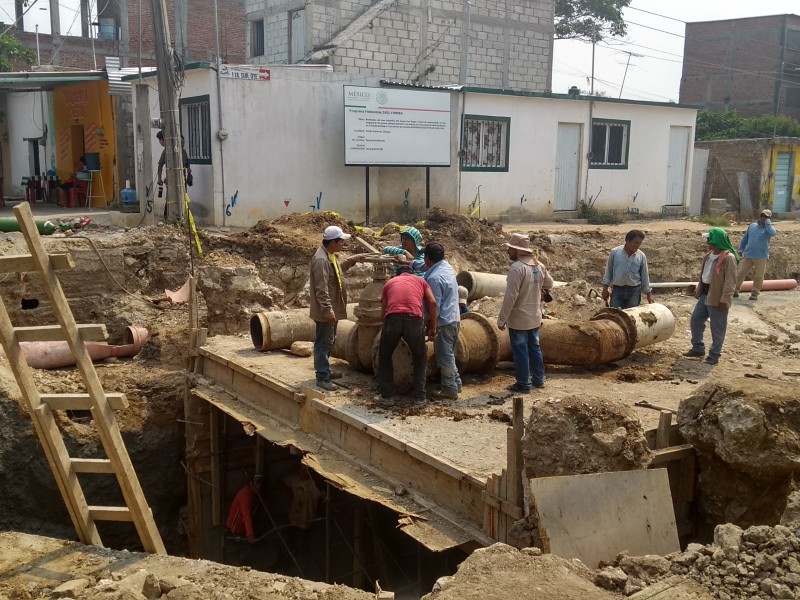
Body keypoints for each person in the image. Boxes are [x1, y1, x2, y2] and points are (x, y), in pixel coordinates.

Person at [496, 233, 554, 393]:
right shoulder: (539, 266)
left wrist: (502, 319)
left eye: (510, 249)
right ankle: (538, 380)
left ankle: (523, 384)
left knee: (521, 351)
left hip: (519, 319)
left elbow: (510, 297)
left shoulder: (517, 268)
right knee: (534, 349)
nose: (508, 252)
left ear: (517, 250)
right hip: (534, 317)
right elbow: (550, 283)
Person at [309, 225, 365, 390]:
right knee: (323, 343)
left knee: (329, 341)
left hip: (331, 309)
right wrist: (328, 312)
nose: (343, 245)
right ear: (333, 242)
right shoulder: (321, 260)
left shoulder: (329, 255)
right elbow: (321, 290)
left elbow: (339, 270)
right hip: (326, 311)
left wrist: (354, 259)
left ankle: (325, 371)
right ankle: (322, 377)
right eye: (341, 242)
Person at [378, 265, 438, 404]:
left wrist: (387, 327)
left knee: (385, 356)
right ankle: (419, 397)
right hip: (414, 319)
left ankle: (387, 396)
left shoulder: (389, 283)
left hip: (392, 318)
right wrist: (433, 328)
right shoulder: (421, 281)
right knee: (420, 357)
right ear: (411, 273)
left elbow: (382, 313)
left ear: (398, 274)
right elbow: (433, 302)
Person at [409, 242, 462, 400]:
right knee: (449, 355)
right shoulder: (446, 267)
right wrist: (409, 262)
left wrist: (431, 328)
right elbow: (425, 266)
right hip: (454, 318)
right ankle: (456, 383)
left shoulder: (433, 279)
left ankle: (450, 389)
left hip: (443, 322)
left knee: (444, 357)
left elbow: (434, 306)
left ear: (427, 257)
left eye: (424, 255)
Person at [685, 227, 738, 366]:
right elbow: (705, 275)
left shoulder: (728, 258)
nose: (707, 241)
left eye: (710, 239)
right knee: (696, 320)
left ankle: (714, 355)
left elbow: (730, 282)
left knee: (717, 327)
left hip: (717, 297)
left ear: (716, 240)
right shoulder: (708, 255)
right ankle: (698, 348)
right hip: (705, 294)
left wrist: (725, 300)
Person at [601, 230, 654, 309]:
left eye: (640, 243)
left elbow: (645, 276)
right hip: (617, 290)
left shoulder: (641, 256)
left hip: (634, 291)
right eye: (636, 242)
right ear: (627, 241)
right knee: (615, 315)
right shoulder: (615, 253)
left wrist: (649, 295)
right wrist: (605, 289)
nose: (638, 245)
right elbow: (609, 271)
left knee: (631, 317)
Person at [735, 209, 778, 301]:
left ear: (769, 219)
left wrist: (768, 223)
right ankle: (735, 290)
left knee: (758, 276)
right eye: (762, 215)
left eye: (766, 217)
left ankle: (754, 293)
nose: (763, 218)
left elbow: (773, 233)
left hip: (761, 257)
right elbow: (745, 238)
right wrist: (741, 249)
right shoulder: (752, 226)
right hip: (749, 255)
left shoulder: (768, 229)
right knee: (741, 273)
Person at [225, 474, 264, 564]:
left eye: (260, 484)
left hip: (242, 527)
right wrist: (250, 534)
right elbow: (246, 516)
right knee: (247, 547)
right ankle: (238, 564)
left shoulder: (254, 494)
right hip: (235, 529)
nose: (259, 486)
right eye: (257, 483)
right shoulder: (245, 495)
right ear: (251, 483)